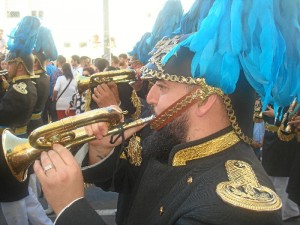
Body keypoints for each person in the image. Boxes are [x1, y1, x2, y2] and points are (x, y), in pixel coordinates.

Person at [34, 31, 283, 225]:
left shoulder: (236, 209)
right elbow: (130, 180)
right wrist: (99, 149)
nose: (149, 97)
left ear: (204, 101)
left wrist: (71, 208)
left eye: (162, 87)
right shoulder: (174, 138)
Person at [0, 16, 53, 225]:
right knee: (25, 197)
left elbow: (4, 112)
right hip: (16, 141)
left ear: (20, 65)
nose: (6, 65)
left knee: (12, 201)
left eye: (10, 62)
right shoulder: (19, 86)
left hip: (11, 149)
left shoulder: (22, 88)